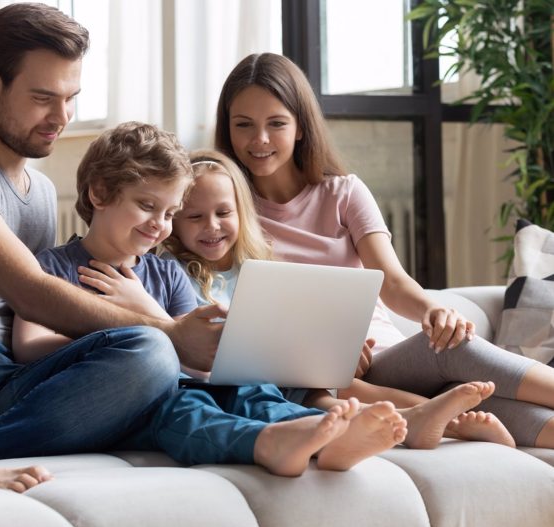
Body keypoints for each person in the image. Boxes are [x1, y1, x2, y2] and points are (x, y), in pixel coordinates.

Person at [0, 3, 220, 493]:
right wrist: (170, 328)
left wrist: (165, 340)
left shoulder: (42, 192)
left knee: (150, 356)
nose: (62, 117)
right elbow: (30, 292)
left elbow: (31, 330)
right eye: (44, 97)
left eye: (72, 98)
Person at [16, 120, 412, 475]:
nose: (160, 224)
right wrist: (130, 338)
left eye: (171, 212)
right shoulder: (51, 268)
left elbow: (203, 358)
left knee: (245, 387)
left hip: (184, 388)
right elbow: (27, 346)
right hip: (121, 401)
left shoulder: (166, 272)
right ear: (100, 194)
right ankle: (275, 443)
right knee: (185, 411)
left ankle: (320, 432)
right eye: (147, 206)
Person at [213, 52, 554, 449]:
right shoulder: (223, 214)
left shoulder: (343, 192)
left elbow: (392, 281)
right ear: (228, 129)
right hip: (333, 378)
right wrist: (326, 351)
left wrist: (433, 311)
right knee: (453, 353)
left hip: (390, 356)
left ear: (301, 127)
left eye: (276, 123)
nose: (260, 140)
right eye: (244, 125)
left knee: (490, 391)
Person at [163, 148, 515, 449]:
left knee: (336, 384)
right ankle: (441, 421)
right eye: (195, 217)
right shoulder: (174, 273)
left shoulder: (259, 268)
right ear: (174, 222)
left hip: (287, 376)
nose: (212, 226)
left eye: (223, 213)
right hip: (233, 387)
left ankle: (436, 418)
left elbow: (290, 331)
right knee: (321, 392)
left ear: (242, 213)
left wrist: (332, 353)